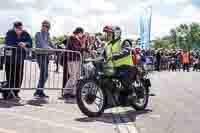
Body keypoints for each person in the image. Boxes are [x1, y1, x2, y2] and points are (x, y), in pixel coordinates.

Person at [102, 25, 135, 104]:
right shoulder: (107, 45)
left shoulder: (123, 41)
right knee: (104, 79)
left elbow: (126, 50)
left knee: (124, 79)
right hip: (114, 68)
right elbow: (102, 56)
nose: (107, 36)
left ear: (116, 34)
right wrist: (92, 59)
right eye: (106, 34)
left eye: (109, 34)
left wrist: (115, 56)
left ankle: (132, 93)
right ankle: (110, 99)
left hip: (126, 66)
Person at [4, 21, 32, 99]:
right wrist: (19, 44)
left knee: (19, 77)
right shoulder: (10, 33)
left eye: (20, 28)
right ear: (14, 27)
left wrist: (25, 44)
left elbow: (30, 43)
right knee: (10, 77)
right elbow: (9, 42)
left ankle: (16, 92)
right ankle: (9, 93)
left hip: (20, 59)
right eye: (17, 28)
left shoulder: (25, 33)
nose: (19, 30)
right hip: (10, 60)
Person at [63, 27, 89, 98]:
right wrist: (83, 44)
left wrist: (87, 48)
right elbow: (76, 48)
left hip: (76, 59)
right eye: (82, 33)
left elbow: (82, 48)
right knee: (73, 76)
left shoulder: (77, 38)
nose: (82, 35)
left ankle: (73, 92)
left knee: (76, 77)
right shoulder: (72, 37)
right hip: (72, 59)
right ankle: (66, 92)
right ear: (79, 32)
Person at [34, 20, 55, 98]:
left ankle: (39, 91)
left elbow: (51, 44)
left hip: (46, 56)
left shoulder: (48, 35)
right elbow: (42, 44)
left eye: (47, 26)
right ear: (42, 26)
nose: (45, 27)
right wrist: (50, 48)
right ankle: (39, 91)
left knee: (44, 74)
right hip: (40, 55)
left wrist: (58, 49)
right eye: (44, 25)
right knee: (44, 73)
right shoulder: (38, 34)